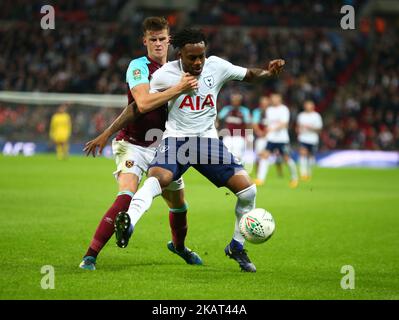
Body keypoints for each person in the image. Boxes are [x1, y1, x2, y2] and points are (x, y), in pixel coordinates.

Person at [113, 28, 285, 272]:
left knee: (247, 190)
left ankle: (237, 245)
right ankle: (129, 222)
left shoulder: (216, 66)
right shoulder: (164, 75)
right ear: (179, 55)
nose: (197, 62)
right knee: (158, 179)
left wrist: (269, 72)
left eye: (201, 56)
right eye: (191, 57)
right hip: (176, 140)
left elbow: (249, 74)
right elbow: (142, 105)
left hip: (207, 142)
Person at [79, 17, 201, 271]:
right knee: (126, 194)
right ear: (144, 41)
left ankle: (179, 247)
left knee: (179, 205)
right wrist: (108, 133)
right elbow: (141, 105)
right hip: (132, 144)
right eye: (152, 39)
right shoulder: (138, 67)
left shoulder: (180, 68)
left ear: (169, 40)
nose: (158, 44)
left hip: (165, 147)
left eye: (162, 39)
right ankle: (90, 255)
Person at [254, 93, 298, 188]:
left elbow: (284, 124)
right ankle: (260, 179)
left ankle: (294, 178)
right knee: (264, 156)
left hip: (282, 139)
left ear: (280, 99)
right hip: (271, 139)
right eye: (272, 98)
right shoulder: (269, 110)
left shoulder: (284, 109)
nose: (273, 100)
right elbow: (269, 124)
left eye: (275, 98)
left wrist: (272, 129)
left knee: (286, 159)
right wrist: (267, 132)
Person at [252, 96, 284, 178]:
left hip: (273, 138)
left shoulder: (272, 111)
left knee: (278, 156)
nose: (264, 105)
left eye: (266, 104)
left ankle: (280, 172)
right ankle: (258, 174)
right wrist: (260, 133)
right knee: (259, 156)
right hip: (261, 138)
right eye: (263, 104)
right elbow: (254, 124)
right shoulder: (257, 112)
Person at [218, 93, 251, 163]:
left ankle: (239, 170)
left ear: (240, 101)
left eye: (237, 100)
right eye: (233, 100)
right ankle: (229, 172)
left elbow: (248, 124)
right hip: (228, 136)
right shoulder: (226, 109)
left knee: (237, 155)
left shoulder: (244, 111)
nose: (235, 102)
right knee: (225, 154)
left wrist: (248, 136)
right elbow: (218, 119)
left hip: (239, 136)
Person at [296, 100, 323, 180]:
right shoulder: (301, 115)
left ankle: (309, 172)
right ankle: (303, 173)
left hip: (313, 139)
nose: (307, 107)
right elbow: (298, 126)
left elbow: (319, 129)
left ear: (313, 106)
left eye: (309, 105)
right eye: (306, 105)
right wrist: (298, 130)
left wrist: (310, 128)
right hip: (303, 138)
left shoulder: (316, 116)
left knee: (311, 157)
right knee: (303, 154)